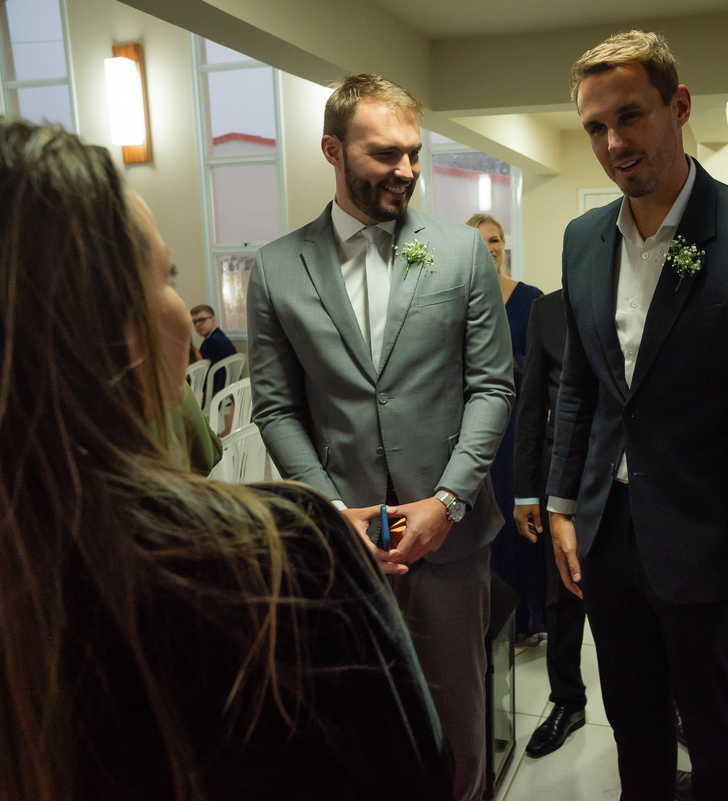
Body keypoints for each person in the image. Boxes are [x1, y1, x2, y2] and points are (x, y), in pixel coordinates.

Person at [0, 117, 452, 801]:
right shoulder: (273, 560)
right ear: (111, 326)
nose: (181, 313)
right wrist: (314, 538)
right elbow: (412, 774)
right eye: (165, 275)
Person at [547, 31, 728, 801]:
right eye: (596, 127)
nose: (614, 142)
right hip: (609, 540)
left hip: (714, 550)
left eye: (630, 116)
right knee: (633, 730)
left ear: (678, 107)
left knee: (717, 742)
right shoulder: (582, 240)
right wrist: (563, 502)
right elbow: (581, 384)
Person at [247, 74, 514, 801]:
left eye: (414, 153)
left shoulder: (459, 252)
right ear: (332, 150)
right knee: (355, 729)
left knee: (459, 736)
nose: (406, 169)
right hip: (345, 547)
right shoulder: (277, 266)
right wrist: (333, 512)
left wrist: (448, 501)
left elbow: (493, 387)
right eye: (384, 154)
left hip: (450, 544)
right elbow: (277, 408)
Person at [514, 288, 589, 757]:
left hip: (633, 480)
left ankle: (673, 704)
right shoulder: (547, 311)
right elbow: (531, 406)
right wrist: (526, 492)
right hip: (560, 479)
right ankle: (567, 700)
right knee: (561, 597)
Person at [466, 212, 546, 643]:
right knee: (485, 514)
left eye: (494, 240)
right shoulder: (458, 298)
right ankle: (488, 620)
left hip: (518, 422)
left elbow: (546, 363)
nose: (489, 249)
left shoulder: (530, 299)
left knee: (519, 512)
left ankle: (527, 618)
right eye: (479, 242)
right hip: (474, 424)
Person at [191, 303, 237, 398]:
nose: (198, 324)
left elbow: (200, 372)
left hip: (216, 394)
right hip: (229, 393)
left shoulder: (211, 343)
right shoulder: (221, 337)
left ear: (213, 320)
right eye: (194, 322)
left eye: (202, 320)